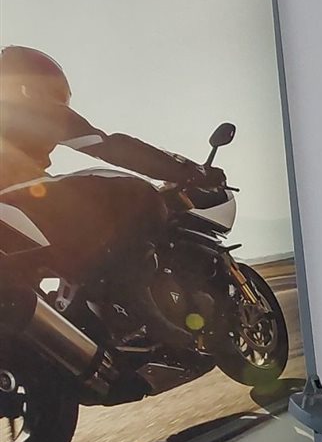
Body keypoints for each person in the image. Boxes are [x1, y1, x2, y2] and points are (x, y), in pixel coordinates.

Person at [0, 45, 221, 329]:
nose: (60, 106)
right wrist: (187, 170)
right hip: (12, 195)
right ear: (31, 85)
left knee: (82, 230)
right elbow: (106, 145)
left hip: (15, 211)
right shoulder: (24, 108)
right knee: (138, 193)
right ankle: (131, 292)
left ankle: (83, 313)